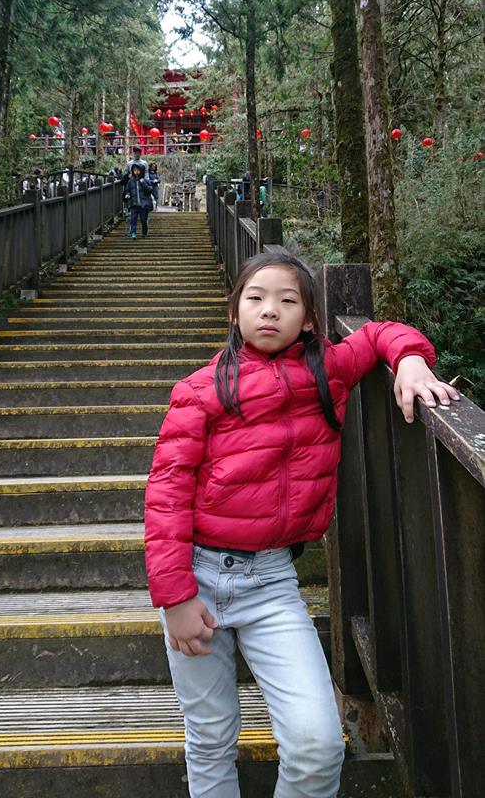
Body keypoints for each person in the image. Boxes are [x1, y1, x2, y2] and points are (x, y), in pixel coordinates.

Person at [144, 250, 459, 798]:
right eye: (256, 298)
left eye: (288, 301)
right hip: (196, 576)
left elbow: (384, 330)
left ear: (310, 318)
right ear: (235, 311)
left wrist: (410, 359)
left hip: (272, 582)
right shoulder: (199, 391)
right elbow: (166, 496)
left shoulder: (330, 370)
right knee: (211, 737)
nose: (270, 311)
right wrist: (174, 597)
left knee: (316, 745)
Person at [122, 162, 153, 238]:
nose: (136, 172)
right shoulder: (130, 181)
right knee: (133, 219)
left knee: (143, 220)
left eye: (138, 170)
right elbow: (127, 190)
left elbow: (149, 190)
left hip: (144, 204)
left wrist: (143, 183)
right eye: (134, 170)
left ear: (141, 171)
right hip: (134, 204)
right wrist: (127, 194)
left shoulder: (145, 181)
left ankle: (144, 232)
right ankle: (133, 233)